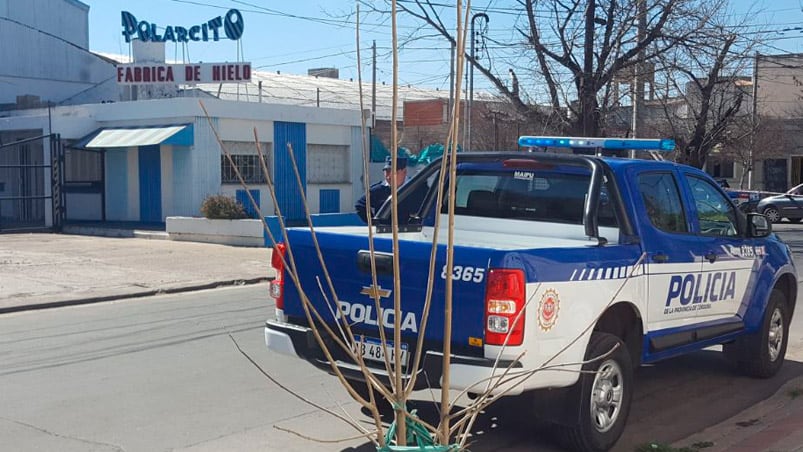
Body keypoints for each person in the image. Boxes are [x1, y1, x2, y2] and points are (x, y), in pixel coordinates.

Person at [355, 156, 408, 223]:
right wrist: (374, 222)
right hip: (384, 232)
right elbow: (360, 205)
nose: (389, 176)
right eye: (387, 172)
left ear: (404, 172)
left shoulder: (416, 188)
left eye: (394, 172)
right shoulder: (378, 190)